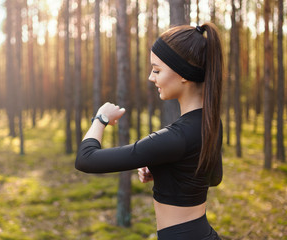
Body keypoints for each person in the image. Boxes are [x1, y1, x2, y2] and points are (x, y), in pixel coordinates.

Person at [76, 23, 223, 240]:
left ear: (183, 74)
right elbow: (212, 177)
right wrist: (166, 172)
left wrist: (100, 118)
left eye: (157, 70)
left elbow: (86, 159)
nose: (150, 77)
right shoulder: (211, 122)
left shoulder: (176, 137)